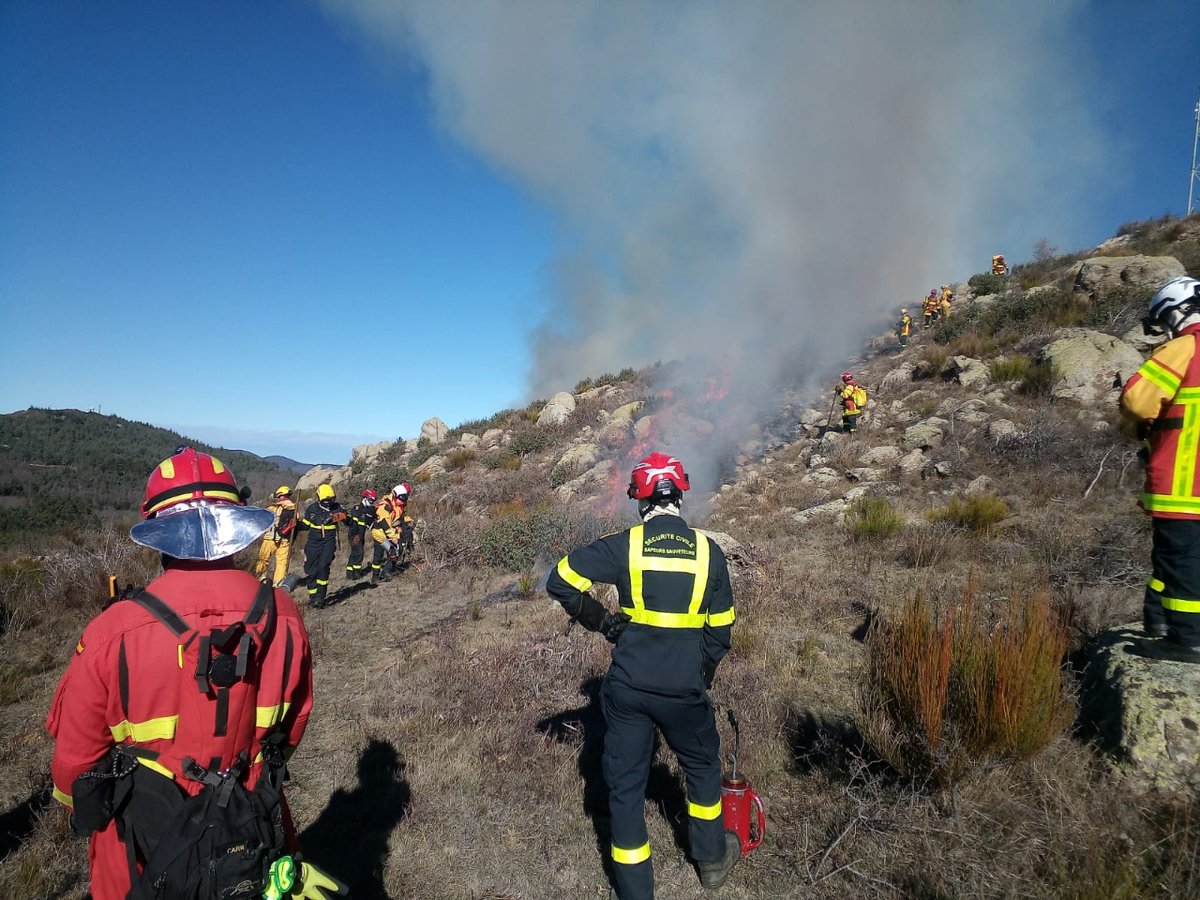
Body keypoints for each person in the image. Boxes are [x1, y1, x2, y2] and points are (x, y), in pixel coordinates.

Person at [43, 447, 339, 899]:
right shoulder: (283, 614)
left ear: (155, 524)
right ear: (235, 517)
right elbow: (291, 728)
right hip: (251, 827)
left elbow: (76, 764)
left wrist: (82, 811)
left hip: (141, 845)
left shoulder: (112, 630)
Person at [547, 452, 739, 900]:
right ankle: (711, 861)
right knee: (701, 769)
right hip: (685, 689)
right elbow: (721, 626)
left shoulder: (625, 546)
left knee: (626, 788)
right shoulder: (709, 552)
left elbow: (560, 579)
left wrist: (602, 621)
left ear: (641, 499)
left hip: (628, 689)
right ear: (679, 496)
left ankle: (635, 891)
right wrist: (702, 673)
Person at [1120, 275, 1200, 663]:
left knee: (1178, 558)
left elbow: (1137, 401)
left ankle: (1186, 640)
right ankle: (1157, 620)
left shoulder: (1185, 348)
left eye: (1165, 318)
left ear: (1178, 312)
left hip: (1184, 484)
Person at [298, 483, 346, 608]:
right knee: (311, 569)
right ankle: (313, 596)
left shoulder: (337, 507)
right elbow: (305, 526)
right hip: (313, 542)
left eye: (331, 500)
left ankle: (320, 597)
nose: (329, 503)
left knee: (323, 566)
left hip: (328, 542)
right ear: (319, 498)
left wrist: (343, 517)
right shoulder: (312, 509)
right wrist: (296, 525)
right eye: (326, 500)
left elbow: (349, 522)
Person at [370, 483, 415, 582]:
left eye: (405, 498)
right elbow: (385, 524)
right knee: (378, 555)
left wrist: (408, 520)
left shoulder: (399, 505)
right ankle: (375, 577)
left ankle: (386, 571)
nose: (403, 501)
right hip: (380, 534)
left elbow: (399, 517)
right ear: (395, 495)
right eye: (401, 499)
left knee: (397, 551)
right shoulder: (385, 506)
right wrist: (394, 537)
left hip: (391, 532)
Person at [255, 485, 298, 586]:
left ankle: (259, 580)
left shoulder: (272, 508)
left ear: (280, 496)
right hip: (285, 540)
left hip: (270, 539)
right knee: (281, 563)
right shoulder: (294, 509)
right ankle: (278, 584)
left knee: (263, 559)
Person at [345, 489, 378, 579]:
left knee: (354, 553)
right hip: (354, 534)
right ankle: (356, 573)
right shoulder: (357, 509)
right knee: (359, 553)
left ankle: (349, 573)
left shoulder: (370, 509)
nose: (372, 502)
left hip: (361, 534)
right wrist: (356, 535)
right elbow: (354, 524)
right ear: (365, 498)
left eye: (374, 500)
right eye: (371, 500)